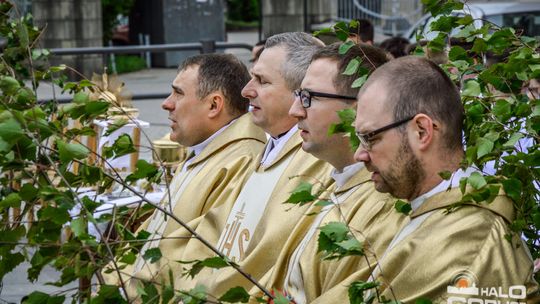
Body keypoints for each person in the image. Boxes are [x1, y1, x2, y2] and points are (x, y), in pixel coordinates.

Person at [331, 55, 538, 302]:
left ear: (422, 131)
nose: (360, 154)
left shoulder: (470, 240)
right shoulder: (433, 207)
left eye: (370, 137)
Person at [174, 32, 333, 298]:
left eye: (262, 81)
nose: (246, 90)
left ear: (299, 93)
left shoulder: (314, 164)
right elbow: (210, 233)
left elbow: (271, 260)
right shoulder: (269, 149)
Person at [102, 53, 267, 299]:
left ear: (214, 105)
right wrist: (111, 278)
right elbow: (150, 234)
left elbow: (193, 259)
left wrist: (123, 292)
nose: (166, 103)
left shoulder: (240, 161)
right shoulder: (206, 150)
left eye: (178, 93)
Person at [251, 43, 406, 303]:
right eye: (298, 95)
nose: (295, 110)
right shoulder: (335, 183)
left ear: (359, 109)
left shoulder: (384, 203)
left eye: (309, 98)